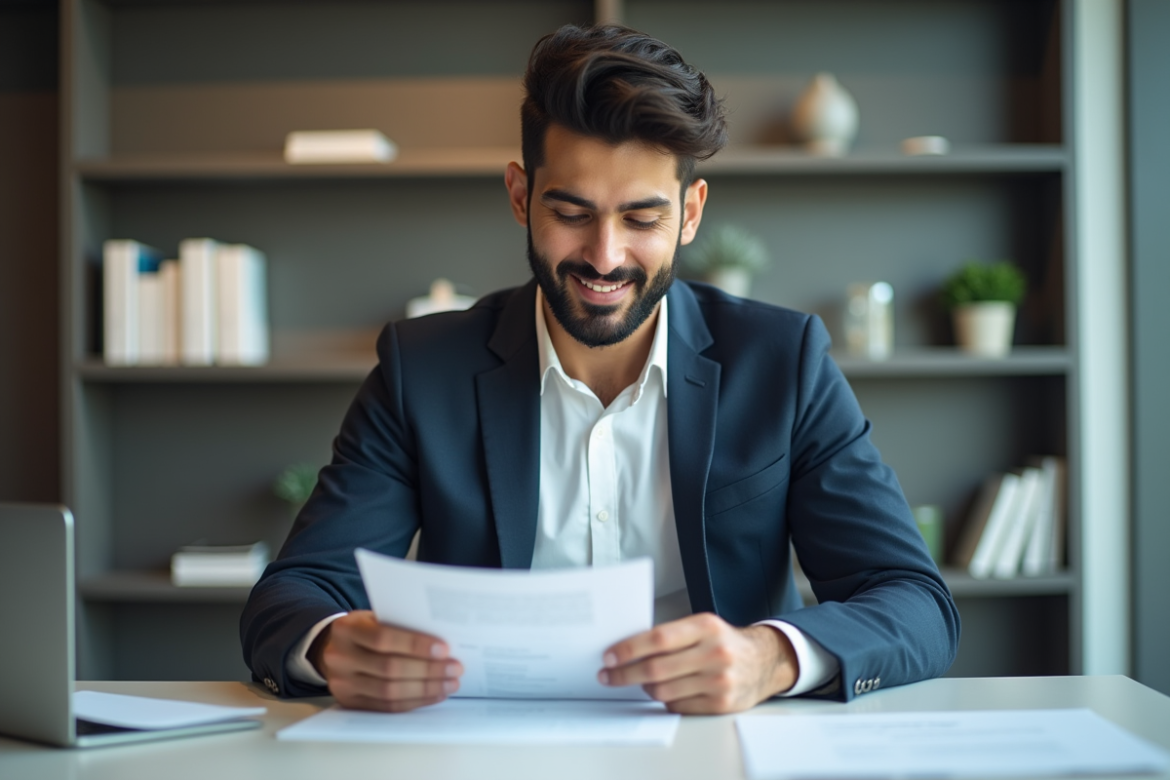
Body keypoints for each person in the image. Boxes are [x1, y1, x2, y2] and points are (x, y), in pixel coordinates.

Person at [240, 24, 960, 715]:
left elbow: (913, 600)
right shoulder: (420, 371)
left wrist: (767, 659)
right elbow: (296, 591)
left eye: (642, 219)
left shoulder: (784, 363)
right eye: (572, 212)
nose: (605, 256)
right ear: (521, 197)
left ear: (691, 213)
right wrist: (332, 645)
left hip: (721, 751)